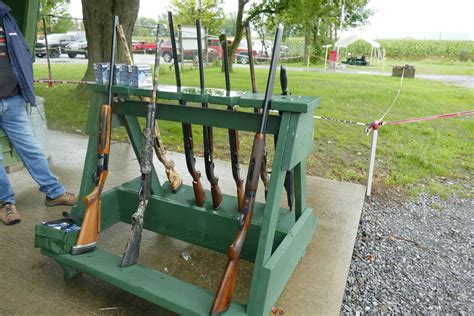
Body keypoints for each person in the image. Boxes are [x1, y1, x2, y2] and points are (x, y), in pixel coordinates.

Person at [0, 2, 77, 225]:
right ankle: (6, 203)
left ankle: (54, 192)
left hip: (13, 100)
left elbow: (21, 51)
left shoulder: (5, 16)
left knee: (32, 149)